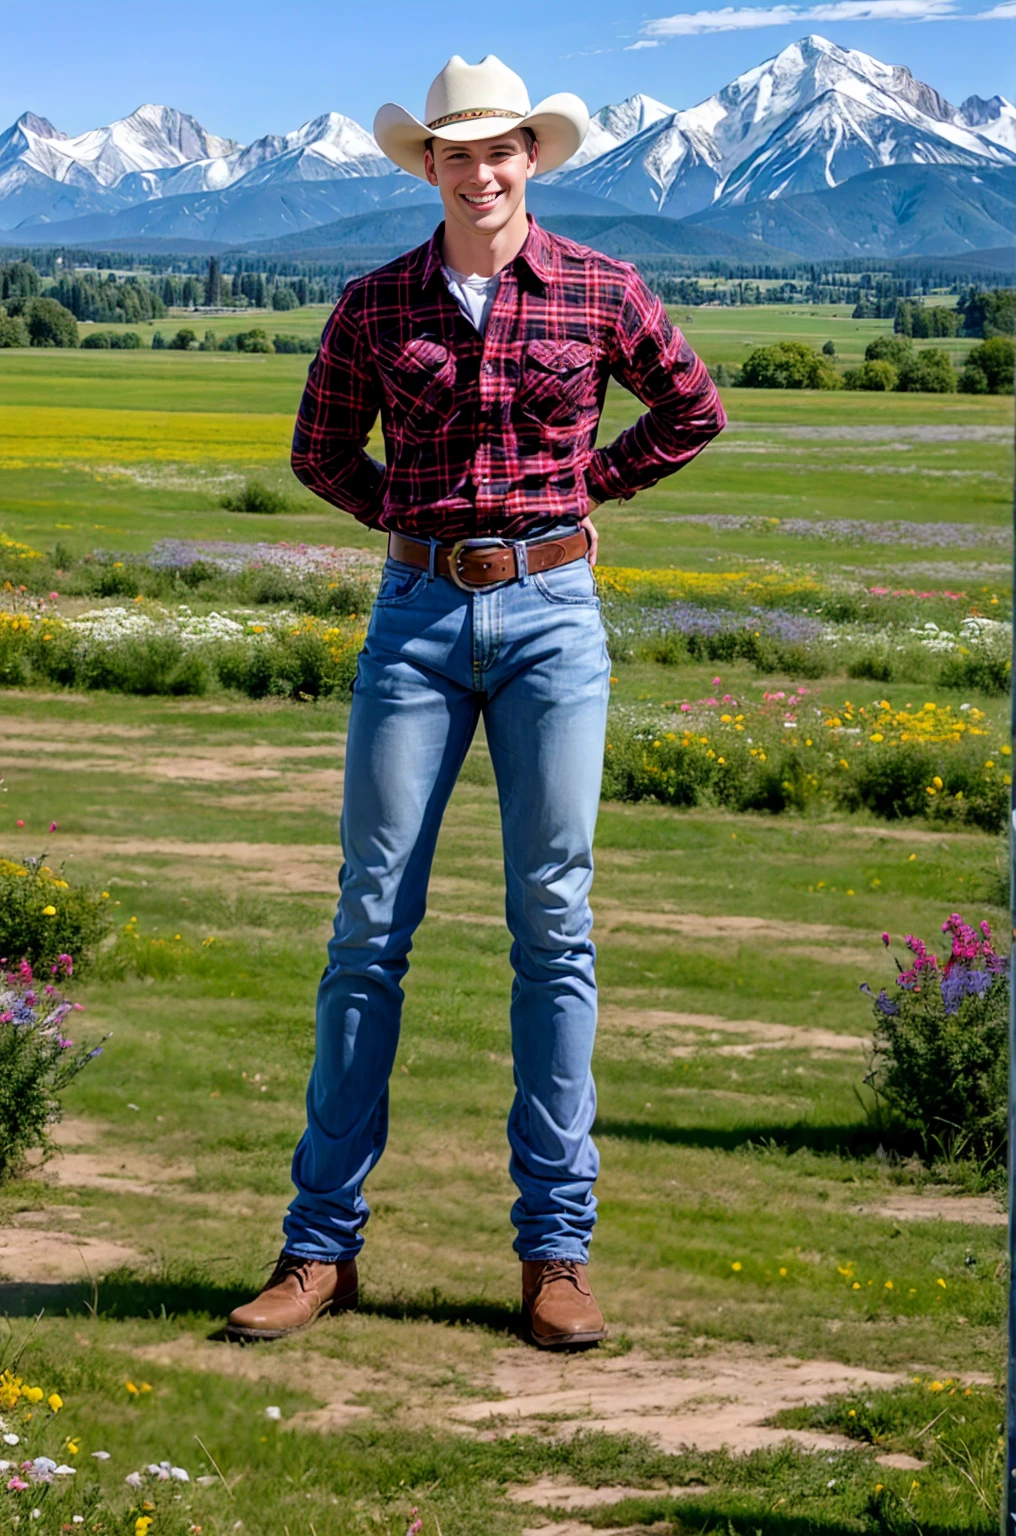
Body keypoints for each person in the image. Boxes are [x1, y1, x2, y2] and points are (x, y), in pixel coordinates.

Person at [226, 54, 726, 1349]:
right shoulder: (376, 303)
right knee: (368, 925)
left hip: (557, 619)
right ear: (430, 168)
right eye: (458, 153)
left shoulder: (603, 291)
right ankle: (317, 1248)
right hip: (415, 621)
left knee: (554, 925)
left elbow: (693, 407)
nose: (483, 171)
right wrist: (416, 523)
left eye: (502, 149)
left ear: (532, 159)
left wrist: (591, 496)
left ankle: (556, 1253)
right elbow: (319, 452)